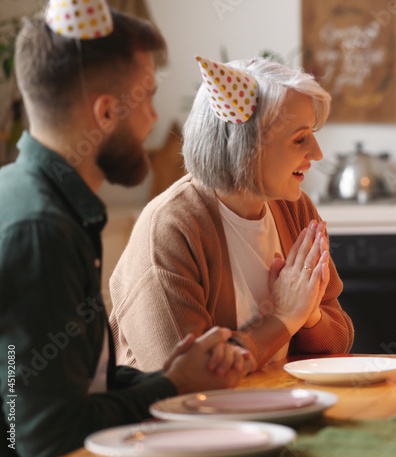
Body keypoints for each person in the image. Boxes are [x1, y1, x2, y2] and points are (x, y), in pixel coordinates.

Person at [0, 5, 250, 456]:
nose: (154, 117)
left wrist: (167, 378)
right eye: (147, 97)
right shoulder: (41, 231)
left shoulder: (47, 204)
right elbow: (39, 435)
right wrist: (171, 386)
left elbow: (80, 386)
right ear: (106, 112)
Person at [109, 56, 353, 372]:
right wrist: (283, 319)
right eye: (299, 138)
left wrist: (309, 315)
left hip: (272, 410)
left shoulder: (295, 208)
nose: (317, 153)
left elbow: (338, 342)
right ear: (247, 147)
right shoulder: (170, 229)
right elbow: (188, 378)